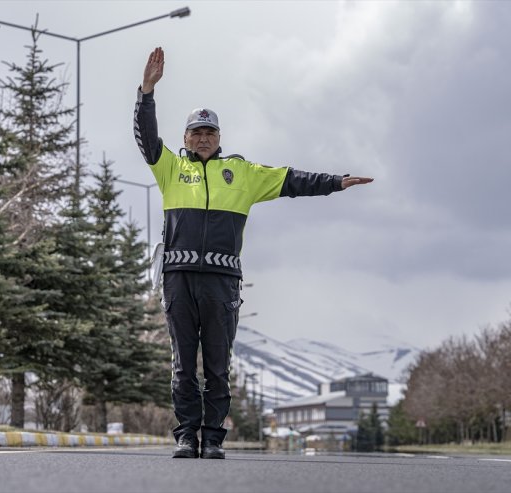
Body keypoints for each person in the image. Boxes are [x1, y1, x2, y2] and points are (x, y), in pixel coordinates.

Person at [133, 47, 374, 459]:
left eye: (210, 132)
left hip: (222, 282)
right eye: (196, 132)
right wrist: (147, 92)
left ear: (220, 139)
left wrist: (335, 181)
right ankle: (187, 435)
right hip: (179, 278)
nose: (204, 138)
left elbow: (291, 179)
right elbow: (145, 136)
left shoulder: (242, 173)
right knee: (182, 365)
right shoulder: (170, 167)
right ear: (185, 138)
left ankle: (212, 439)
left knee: (218, 366)